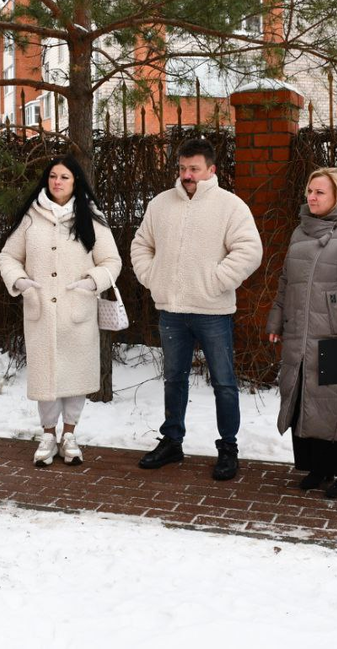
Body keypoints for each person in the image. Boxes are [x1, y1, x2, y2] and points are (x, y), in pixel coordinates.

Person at [131, 137, 263, 480]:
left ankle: (228, 447)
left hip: (213, 311)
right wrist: (153, 277)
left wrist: (216, 281)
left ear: (211, 170)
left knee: (224, 382)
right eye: (182, 168)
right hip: (171, 309)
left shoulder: (230, 206)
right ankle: (172, 441)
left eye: (194, 169)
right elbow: (141, 244)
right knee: (174, 380)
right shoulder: (160, 204)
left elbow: (249, 250)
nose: (187, 175)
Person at [0, 156, 121, 466]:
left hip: (77, 312)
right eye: (53, 176)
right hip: (41, 313)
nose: (57, 182)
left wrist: (91, 283)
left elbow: (112, 262)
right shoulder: (31, 218)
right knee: (46, 378)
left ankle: (70, 434)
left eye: (64, 177)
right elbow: (8, 256)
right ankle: (48, 434)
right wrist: (21, 282)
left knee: (75, 376)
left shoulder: (92, 218)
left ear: (75, 181)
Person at [265, 168, 337, 498]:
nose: (312, 198)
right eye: (309, 191)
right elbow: (287, 282)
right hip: (300, 332)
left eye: (320, 193)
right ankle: (320, 466)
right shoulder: (301, 231)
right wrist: (276, 320)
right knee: (305, 399)